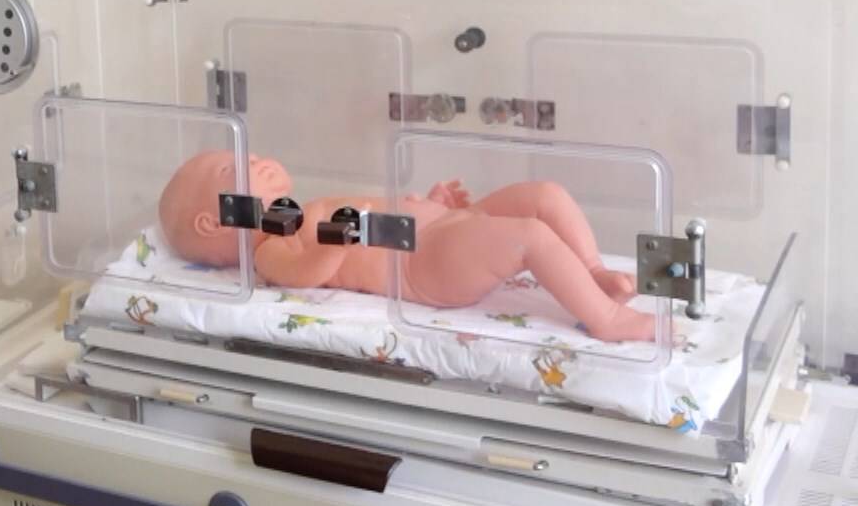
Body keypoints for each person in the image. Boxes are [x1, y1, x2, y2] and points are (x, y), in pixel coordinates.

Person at [157, 152, 652, 342]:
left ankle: (591, 272)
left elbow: (379, 212)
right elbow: (304, 274)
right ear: (213, 221)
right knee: (529, 235)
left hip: (442, 226)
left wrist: (428, 204)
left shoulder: (302, 209)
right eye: (232, 168)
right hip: (429, 265)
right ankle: (607, 319)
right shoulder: (270, 247)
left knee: (544, 195)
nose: (255, 159)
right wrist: (336, 244)